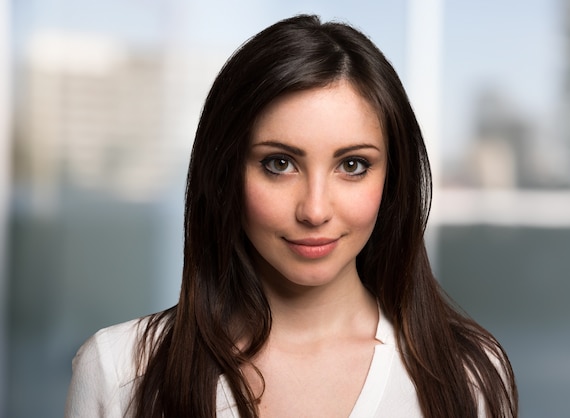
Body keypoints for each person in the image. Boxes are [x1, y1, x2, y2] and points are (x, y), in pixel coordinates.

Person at [65, 14, 518, 418]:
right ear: (225, 174)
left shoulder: (467, 375)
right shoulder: (120, 371)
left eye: (353, 165)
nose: (315, 210)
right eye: (279, 163)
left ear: (392, 179)